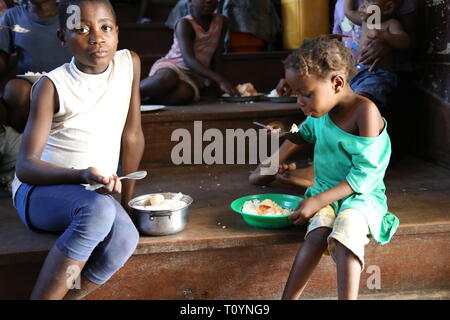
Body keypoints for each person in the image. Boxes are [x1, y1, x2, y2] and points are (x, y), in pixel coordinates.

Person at [12, 0, 145, 300]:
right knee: (97, 212)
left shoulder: (129, 64)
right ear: (62, 37)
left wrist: (126, 200)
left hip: (92, 193)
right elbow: (26, 166)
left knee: (125, 236)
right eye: (81, 30)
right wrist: (82, 174)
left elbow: (133, 135)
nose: (97, 38)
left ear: (117, 33)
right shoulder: (52, 86)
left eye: (105, 28)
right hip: (38, 193)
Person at [278, 36, 399, 300]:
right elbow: (304, 133)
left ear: (337, 83)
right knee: (316, 233)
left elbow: (365, 175)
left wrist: (318, 199)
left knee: (346, 232)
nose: (299, 101)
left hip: (361, 197)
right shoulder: (320, 113)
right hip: (328, 194)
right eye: (295, 92)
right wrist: (281, 136)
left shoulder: (365, 112)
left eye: (305, 93)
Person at [140, 0, 237, 105]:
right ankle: (126, 95)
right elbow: (189, 60)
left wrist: (216, 87)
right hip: (173, 66)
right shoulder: (185, 24)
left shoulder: (222, 22)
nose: (208, 1)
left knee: (184, 95)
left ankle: (145, 101)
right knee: (166, 79)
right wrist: (220, 79)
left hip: (194, 76)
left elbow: (217, 55)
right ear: (190, 1)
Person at [0, 0, 73, 133]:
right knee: (15, 90)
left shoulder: (71, 13)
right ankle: (21, 143)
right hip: (30, 82)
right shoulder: (12, 16)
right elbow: (2, 57)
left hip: (68, 80)